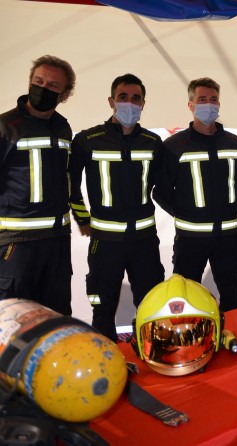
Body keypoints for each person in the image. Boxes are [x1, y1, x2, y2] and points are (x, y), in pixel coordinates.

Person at [69, 73, 165, 341]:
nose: (129, 103)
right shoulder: (88, 139)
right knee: (103, 308)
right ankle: (107, 364)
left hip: (144, 241)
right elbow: (70, 183)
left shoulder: (152, 142)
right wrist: (82, 218)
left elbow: (162, 184)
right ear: (111, 100)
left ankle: (150, 359)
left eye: (136, 98)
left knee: (150, 305)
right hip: (105, 243)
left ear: (144, 103)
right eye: (123, 97)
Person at [153, 77, 237, 311]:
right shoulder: (174, 145)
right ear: (191, 105)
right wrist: (185, 213)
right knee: (186, 295)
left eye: (213, 99)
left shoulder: (234, 144)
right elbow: (161, 192)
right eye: (202, 99)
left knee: (231, 294)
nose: (209, 104)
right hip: (190, 239)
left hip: (228, 236)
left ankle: (233, 340)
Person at [0, 55, 76, 315]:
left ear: (65, 94)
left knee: (56, 317)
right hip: (16, 245)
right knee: (14, 319)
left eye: (53, 86)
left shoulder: (63, 128)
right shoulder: (5, 126)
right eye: (38, 81)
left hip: (57, 243)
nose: (43, 88)